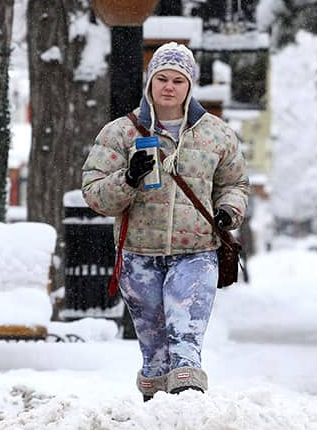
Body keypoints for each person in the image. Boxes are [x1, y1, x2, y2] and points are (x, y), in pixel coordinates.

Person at [81, 41, 249, 401]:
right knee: (154, 350)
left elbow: (234, 183)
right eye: (161, 79)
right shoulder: (121, 133)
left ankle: (187, 407)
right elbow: (94, 194)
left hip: (197, 251)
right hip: (139, 255)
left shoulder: (216, 134)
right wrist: (127, 178)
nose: (169, 87)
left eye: (178, 80)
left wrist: (228, 210)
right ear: (149, 82)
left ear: (190, 86)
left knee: (185, 340)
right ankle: (156, 410)